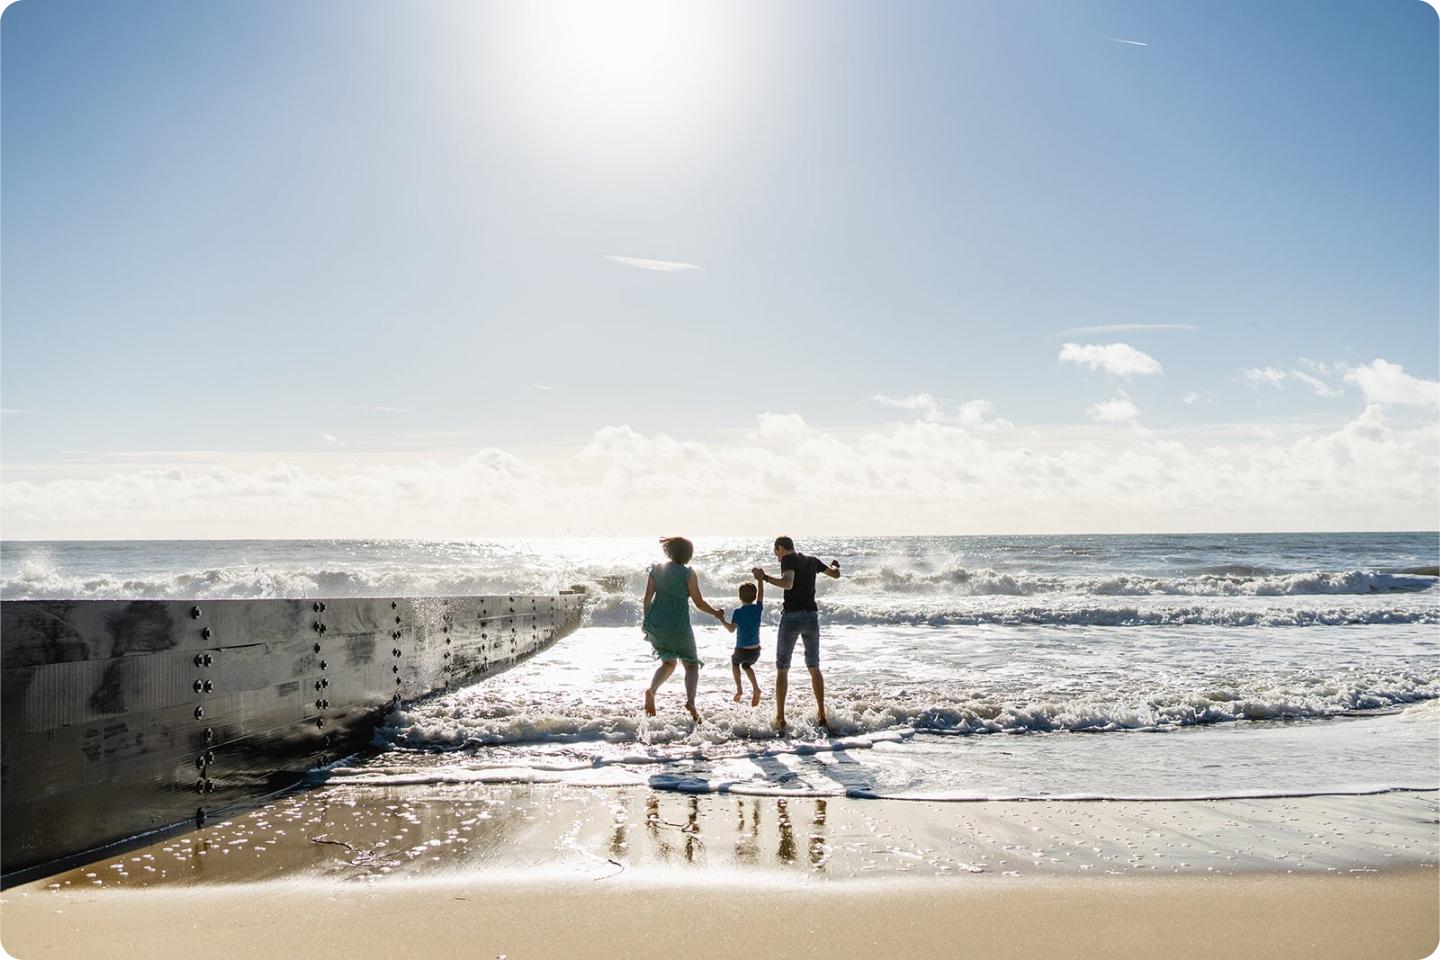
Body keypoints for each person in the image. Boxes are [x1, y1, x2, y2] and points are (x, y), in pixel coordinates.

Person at [751, 536, 840, 731]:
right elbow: (835, 575)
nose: (777, 557)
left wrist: (763, 578)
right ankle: (822, 713)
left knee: (783, 668)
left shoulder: (787, 560)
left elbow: (788, 583)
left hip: (792, 616)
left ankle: (781, 717)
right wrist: (835, 565)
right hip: (811, 617)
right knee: (814, 666)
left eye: (776, 553)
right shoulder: (812, 560)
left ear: (781, 548)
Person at [642, 536, 725, 723]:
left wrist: (647, 621)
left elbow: (647, 599)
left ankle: (652, 690)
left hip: (656, 625)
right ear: (688, 555)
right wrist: (715, 613)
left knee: (668, 663)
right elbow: (699, 602)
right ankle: (690, 701)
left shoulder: (656, 570)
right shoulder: (688, 574)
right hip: (678, 626)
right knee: (691, 664)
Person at [717, 575, 765, 706]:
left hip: (741, 650)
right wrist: (760, 579)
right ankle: (756, 688)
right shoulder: (758, 608)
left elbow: (731, 629)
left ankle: (739, 690)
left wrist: (721, 619)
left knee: (735, 662)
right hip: (756, 650)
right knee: (746, 665)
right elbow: (761, 593)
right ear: (754, 597)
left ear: (740, 597)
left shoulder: (738, 611)